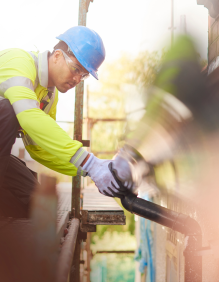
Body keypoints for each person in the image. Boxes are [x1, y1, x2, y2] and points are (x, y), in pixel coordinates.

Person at [0, 26, 131, 218]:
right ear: (57, 56)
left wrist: (92, 170)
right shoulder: (19, 62)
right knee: (8, 111)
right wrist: (90, 162)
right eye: (76, 69)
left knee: (36, 204)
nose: (78, 79)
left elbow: (40, 149)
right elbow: (28, 117)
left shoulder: (49, 96)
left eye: (84, 75)